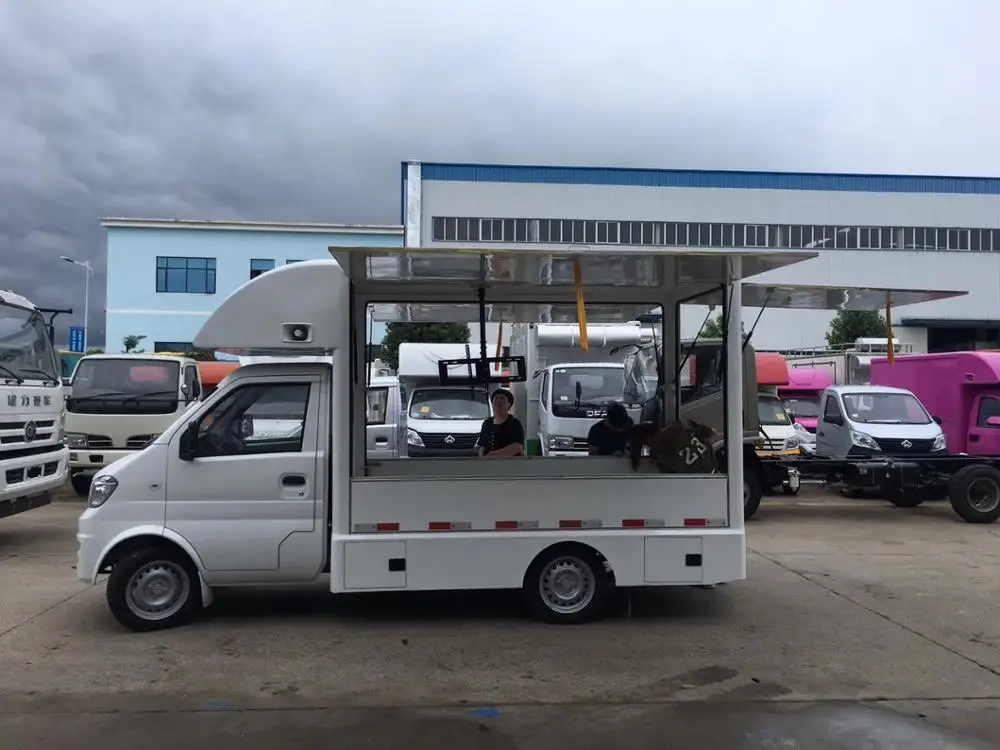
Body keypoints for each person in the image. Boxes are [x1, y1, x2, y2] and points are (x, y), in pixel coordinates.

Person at [478, 387, 525, 458]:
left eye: (502, 398)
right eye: (496, 398)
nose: (498, 400)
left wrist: (492, 456)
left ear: (509, 404)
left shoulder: (514, 423)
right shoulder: (487, 423)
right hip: (488, 465)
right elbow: (482, 446)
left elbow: (518, 447)